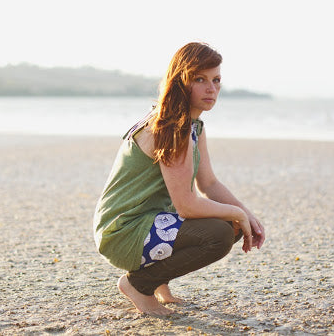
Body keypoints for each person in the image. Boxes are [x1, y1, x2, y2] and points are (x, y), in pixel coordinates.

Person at [93, 42, 265, 316]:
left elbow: (208, 184)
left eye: (216, 80)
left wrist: (247, 214)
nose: (211, 88)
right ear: (180, 82)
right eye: (200, 79)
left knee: (232, 223)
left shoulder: (193, 125)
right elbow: (185, 205)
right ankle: (138, 284)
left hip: (146, 223)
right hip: (124, 231)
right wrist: (235, 214)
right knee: (220, 234)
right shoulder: (172, 128)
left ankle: (158, 281)